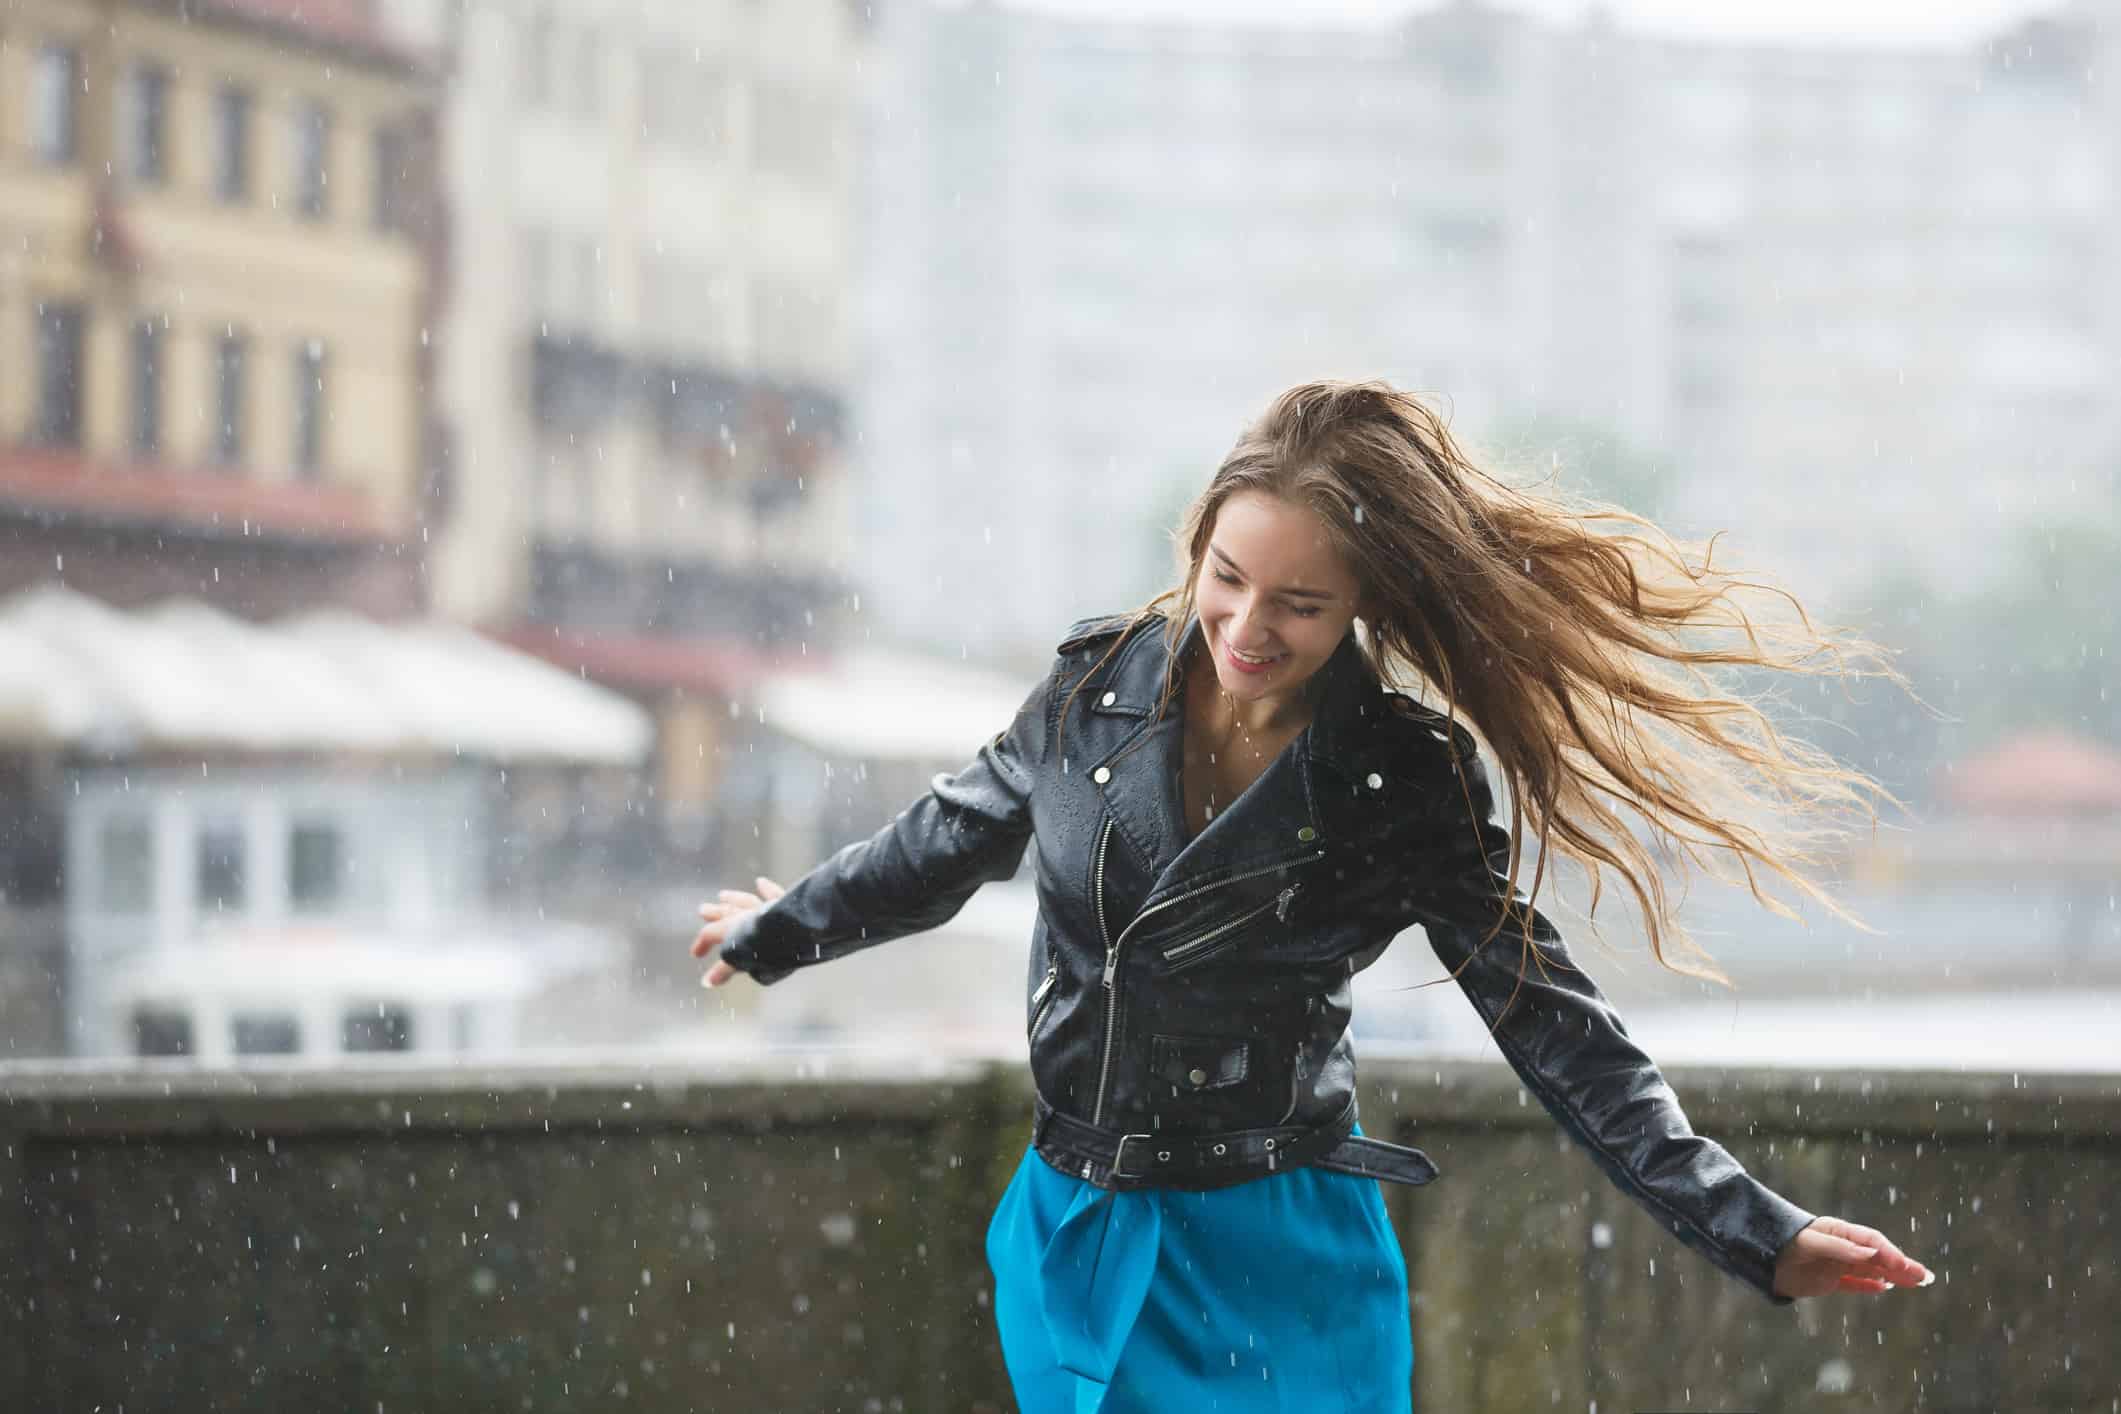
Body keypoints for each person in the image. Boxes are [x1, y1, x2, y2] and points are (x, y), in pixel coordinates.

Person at [690, 380, 1933, 1412]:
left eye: (1300, 603)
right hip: (1082, 1237)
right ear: (1197, 545)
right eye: (1227, 576)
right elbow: (948, 838)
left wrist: (1754, 1229)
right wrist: (780, 928)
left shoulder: (1400, 780)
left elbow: (1548, 1015)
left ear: (1361, 610)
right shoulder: (1090, 694)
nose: (1245, 626)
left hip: (1279, 1253)